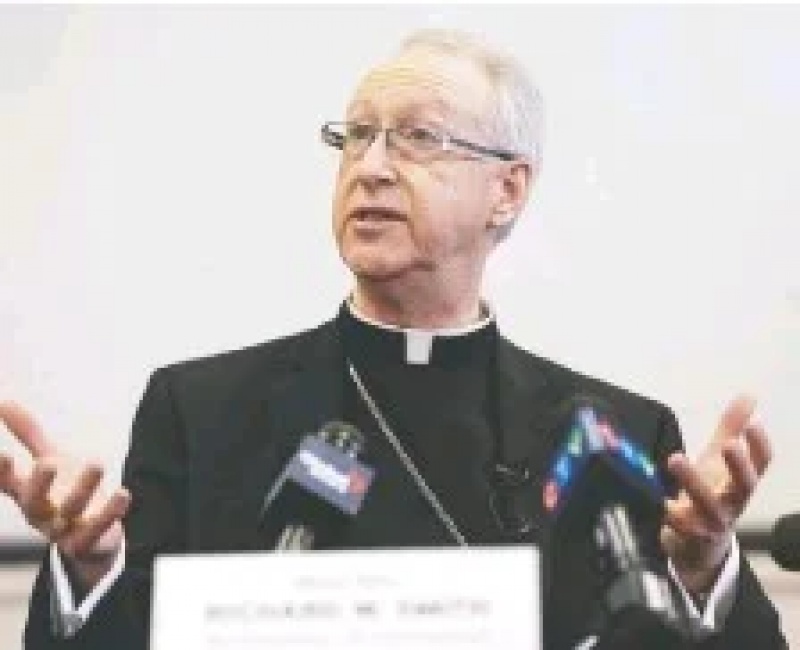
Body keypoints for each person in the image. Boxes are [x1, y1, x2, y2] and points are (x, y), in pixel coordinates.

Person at [0, 28, 786, 649]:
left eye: (416, 137)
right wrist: (89, 571)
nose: (371, 167)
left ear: (507, 190)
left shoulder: (615, 437)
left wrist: (704, 569)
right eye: (356, 136)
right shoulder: (201, 412)